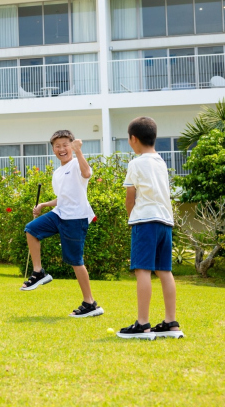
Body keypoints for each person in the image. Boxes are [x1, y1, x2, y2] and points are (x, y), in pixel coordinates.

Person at [20, 130, 104, 318]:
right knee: (31, 229)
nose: (61, 149)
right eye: (57, 146)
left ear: (72, 146)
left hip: (76, 217)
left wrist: (79, 151)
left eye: (65, 145)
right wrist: (44, 205)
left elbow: (87, 173)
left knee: (75, 261)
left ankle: (90, 303)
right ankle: (38, 272)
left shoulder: (76, 163)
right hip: (60, 214)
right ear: (53, 149)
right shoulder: (57, 173)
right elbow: (63, 198)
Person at [117, 117, 184, 340]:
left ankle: (143, 324)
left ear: (133, 139)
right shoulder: (161, 162)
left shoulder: (135, 163)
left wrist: (132, 219)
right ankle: (171, 322)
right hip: (165, 222)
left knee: (142, 270)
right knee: (164, 270)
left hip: (144, 221)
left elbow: (130, 198)